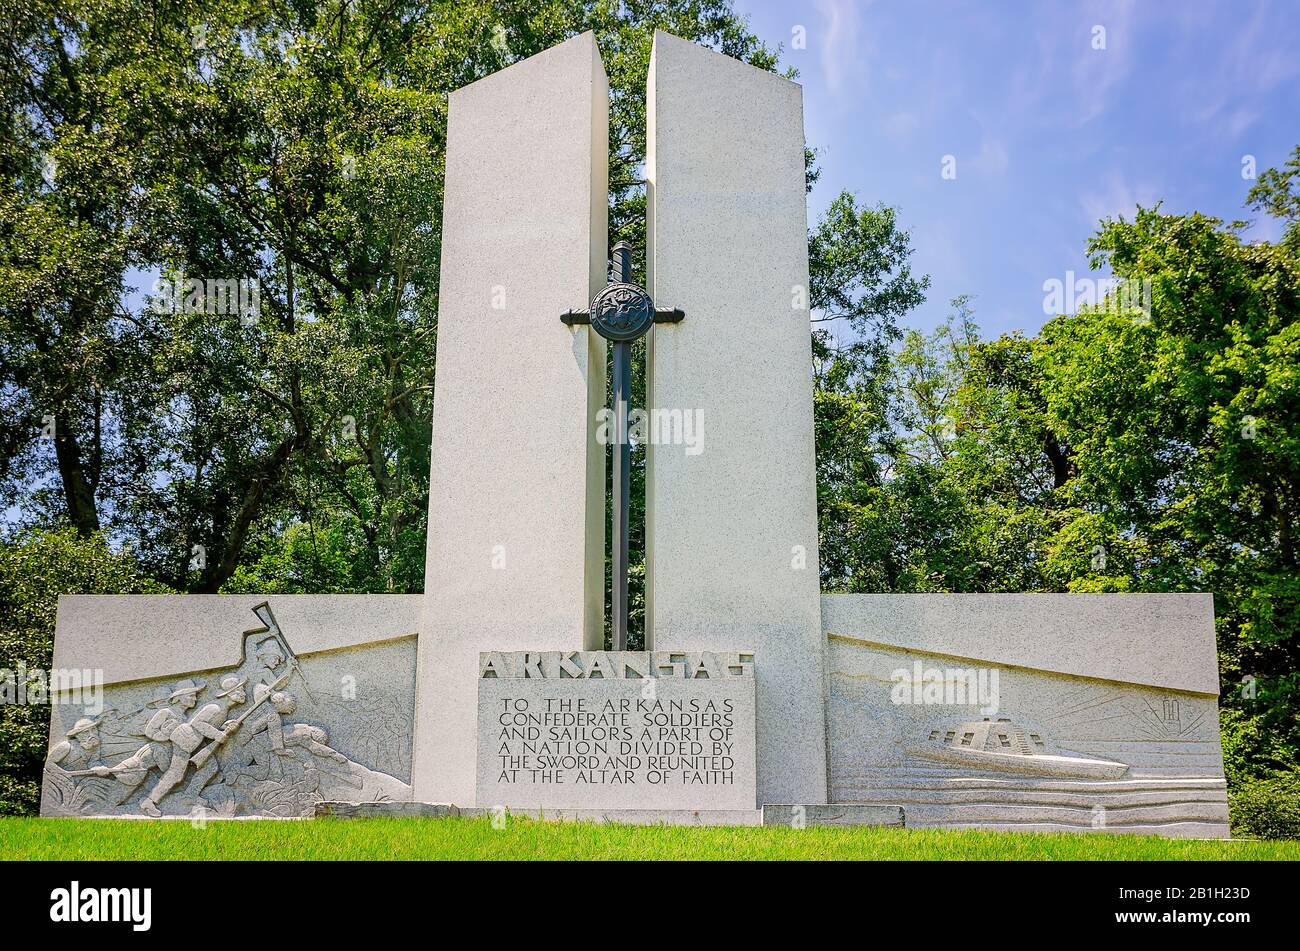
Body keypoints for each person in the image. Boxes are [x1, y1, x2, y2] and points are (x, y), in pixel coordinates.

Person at [139, 675, 247, 817]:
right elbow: (197, 723)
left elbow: (210, 725)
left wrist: (225, 727)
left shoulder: (223, 709)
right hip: (186, 740)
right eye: (240, 690)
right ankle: (149, 802)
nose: (244, 693)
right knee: (176, 774)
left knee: (211, 767)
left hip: (197, 741)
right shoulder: (215, 707)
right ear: (230, 694)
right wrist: (216, 734)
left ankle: (190, 795)